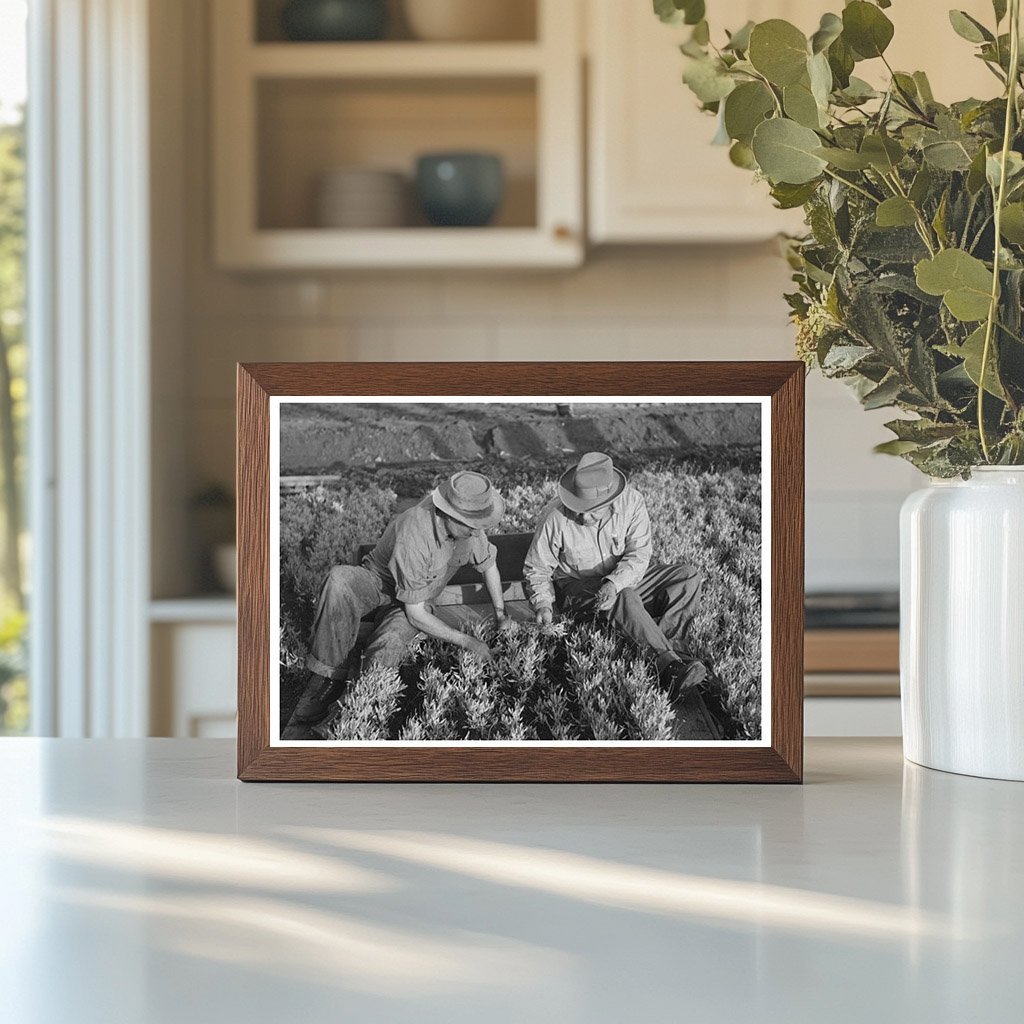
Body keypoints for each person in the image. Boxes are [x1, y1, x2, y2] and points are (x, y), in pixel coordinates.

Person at [282, 471, 507, 740]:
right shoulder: (415, 530)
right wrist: (470, 643)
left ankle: (350, 711)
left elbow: (489, 565)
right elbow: (416, 616)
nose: (476, 530)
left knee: (389, 640)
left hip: (415, 599)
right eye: (470, 524)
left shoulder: (471, 527)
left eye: (479, 523)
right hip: (380, 583)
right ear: (448, 513)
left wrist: (502, 614)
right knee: (339, 580)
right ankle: (327, 680)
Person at [523, 451, 708, 702]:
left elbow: (639, 554)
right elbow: (537, 568)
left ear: (611, 500)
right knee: (625, 594)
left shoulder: (632, 503)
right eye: (578, 507)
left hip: (619, 580)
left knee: (687, 577)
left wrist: (613, 582)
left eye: (591, 510)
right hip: (576, 588)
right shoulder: (554, 516)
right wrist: (543, 604)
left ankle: (674, 657)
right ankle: (667, 667)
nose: (582, 516)